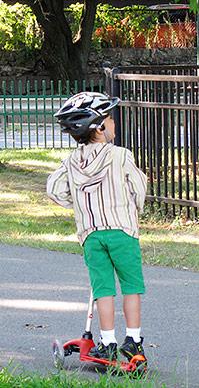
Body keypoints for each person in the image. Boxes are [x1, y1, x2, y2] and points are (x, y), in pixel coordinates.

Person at [47, 92, 148, 363]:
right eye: (110, 119)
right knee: (131, 286)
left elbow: (54, 189)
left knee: (102, 289)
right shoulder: (121, 156)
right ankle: (134, 342)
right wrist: (135, 207)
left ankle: (107, 342)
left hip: (91, 234)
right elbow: (139, 187)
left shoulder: (70, 162)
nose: (114, 123)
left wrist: (78, 204)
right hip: (122, 231)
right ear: (99, 127)